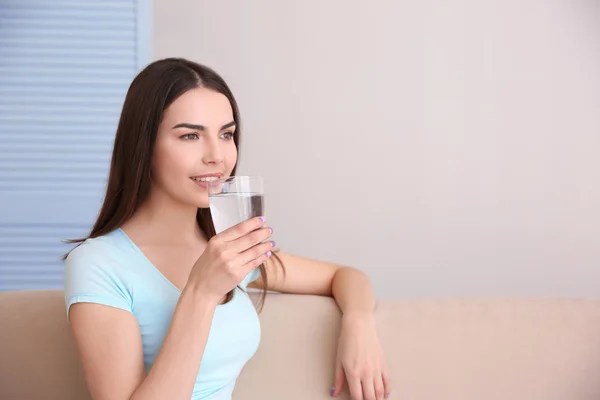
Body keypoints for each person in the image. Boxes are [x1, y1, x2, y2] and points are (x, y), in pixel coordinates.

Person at [63, 57, 390, 400]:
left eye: (226, 134)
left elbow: (346, 276)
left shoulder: (229, 250)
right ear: (143, 146)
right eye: (190, 135)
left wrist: (358, 326)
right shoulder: (98, 263)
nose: (217, 156)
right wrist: (201, 293)